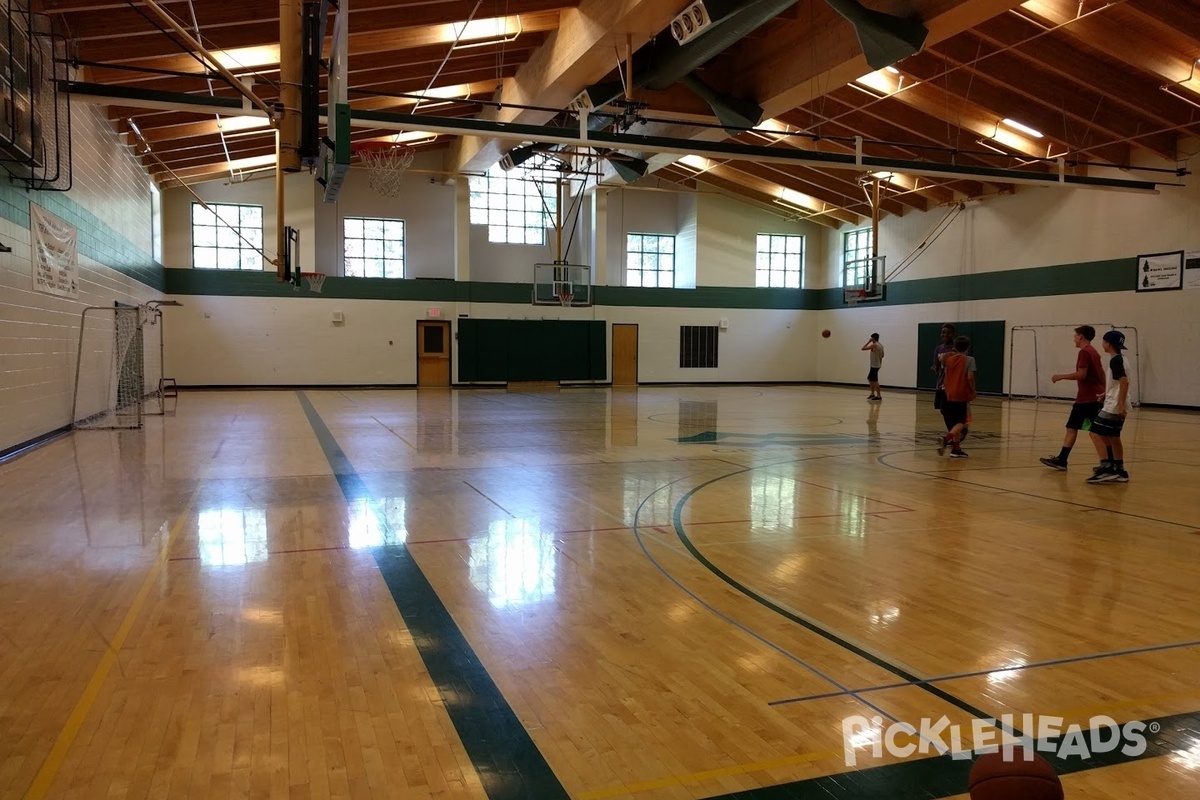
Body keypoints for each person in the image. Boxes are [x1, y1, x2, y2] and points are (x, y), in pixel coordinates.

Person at [1040, 325, 1105, 471]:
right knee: (1073, 427)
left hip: (1087, 399)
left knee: (1093, 431)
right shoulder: (1094, 351)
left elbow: (1081, 374)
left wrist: (1060, 376)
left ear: (1081, 336)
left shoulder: (1084, 352)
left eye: (1075, 336)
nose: (1073, 339)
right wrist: (1104, 390)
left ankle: (1106, 463)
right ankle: (1062, 459)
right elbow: (1102, 373)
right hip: (1092, 397)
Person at [1087, 330, 1131, 483]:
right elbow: (1119, 383)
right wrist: (1105, 393)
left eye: (1104, 341)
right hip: (1114, 401)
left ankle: (1106, 467)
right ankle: (1118, 469)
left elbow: (1124, 382)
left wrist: (1119, 405)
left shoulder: (1115, 361)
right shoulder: (1121, 359)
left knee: (1094, 432)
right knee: (1112, 436)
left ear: (1107, 343)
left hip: (1114, 405)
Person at [937, 335, 975, 458]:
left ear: (955, 347)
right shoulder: (969, 360)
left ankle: (956, 449)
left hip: (947, 394)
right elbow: (970, 377)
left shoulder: (948, 359)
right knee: (962, 423)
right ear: (967, 347)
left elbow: (941, 363)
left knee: (955, 423)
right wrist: (973, 390)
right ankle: (946, 438)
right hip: (960, 395)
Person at [932, 323, 956, 409]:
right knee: (942, 409)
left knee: (949, 410)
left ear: (953, 334)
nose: (945, 334)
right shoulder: (938, 349)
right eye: (943, 332)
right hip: (940, 384)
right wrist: (935, 367)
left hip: (952, 385)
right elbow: (936, 366)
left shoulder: (956, 349)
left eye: (948, 333)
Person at [862, 333, 884, 401]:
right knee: (870, 378)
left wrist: (868, 342)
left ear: (873, 338)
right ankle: (872, 393)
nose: (870, 339)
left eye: (871, 338)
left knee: (875, 381)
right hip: (877, 365)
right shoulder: (880, 345)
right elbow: (883, 355)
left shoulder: (874, 345)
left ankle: (879, 396)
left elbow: (863, 348)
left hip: (875, 365)